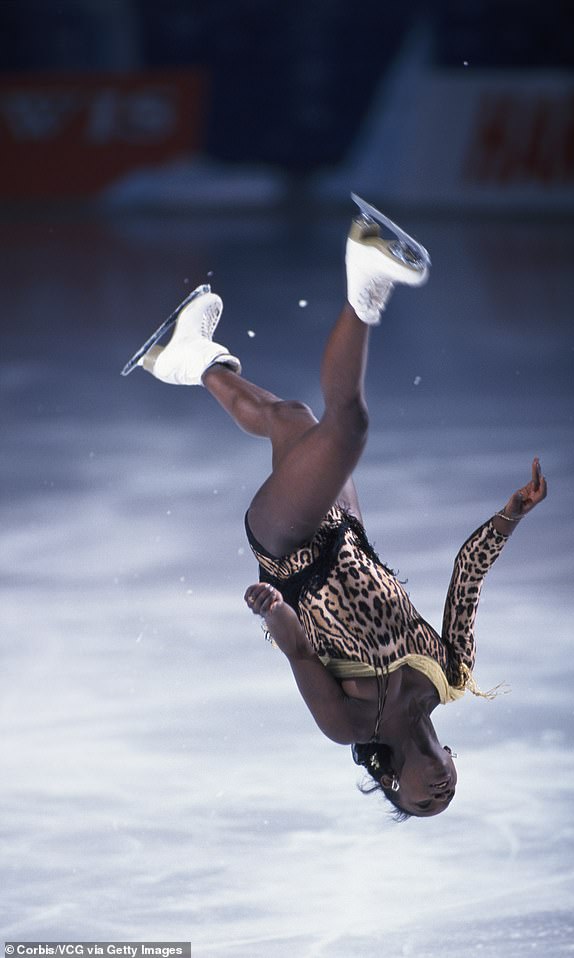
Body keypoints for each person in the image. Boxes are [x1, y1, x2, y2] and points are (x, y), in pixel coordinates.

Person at [130, 203, 547, 820]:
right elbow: (467, 578)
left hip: (290, 550)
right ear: (454, 759)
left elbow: (299, 653)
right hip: (346, 530)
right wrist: (510, 516)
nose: (438, 794)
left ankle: (368, 275)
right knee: (294, 420)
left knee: (347, 428)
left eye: (421, 804)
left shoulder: (351, 723)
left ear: (391, 785)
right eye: (449, 793)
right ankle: (185, 357)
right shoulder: (451, 676)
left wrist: (273, 609)